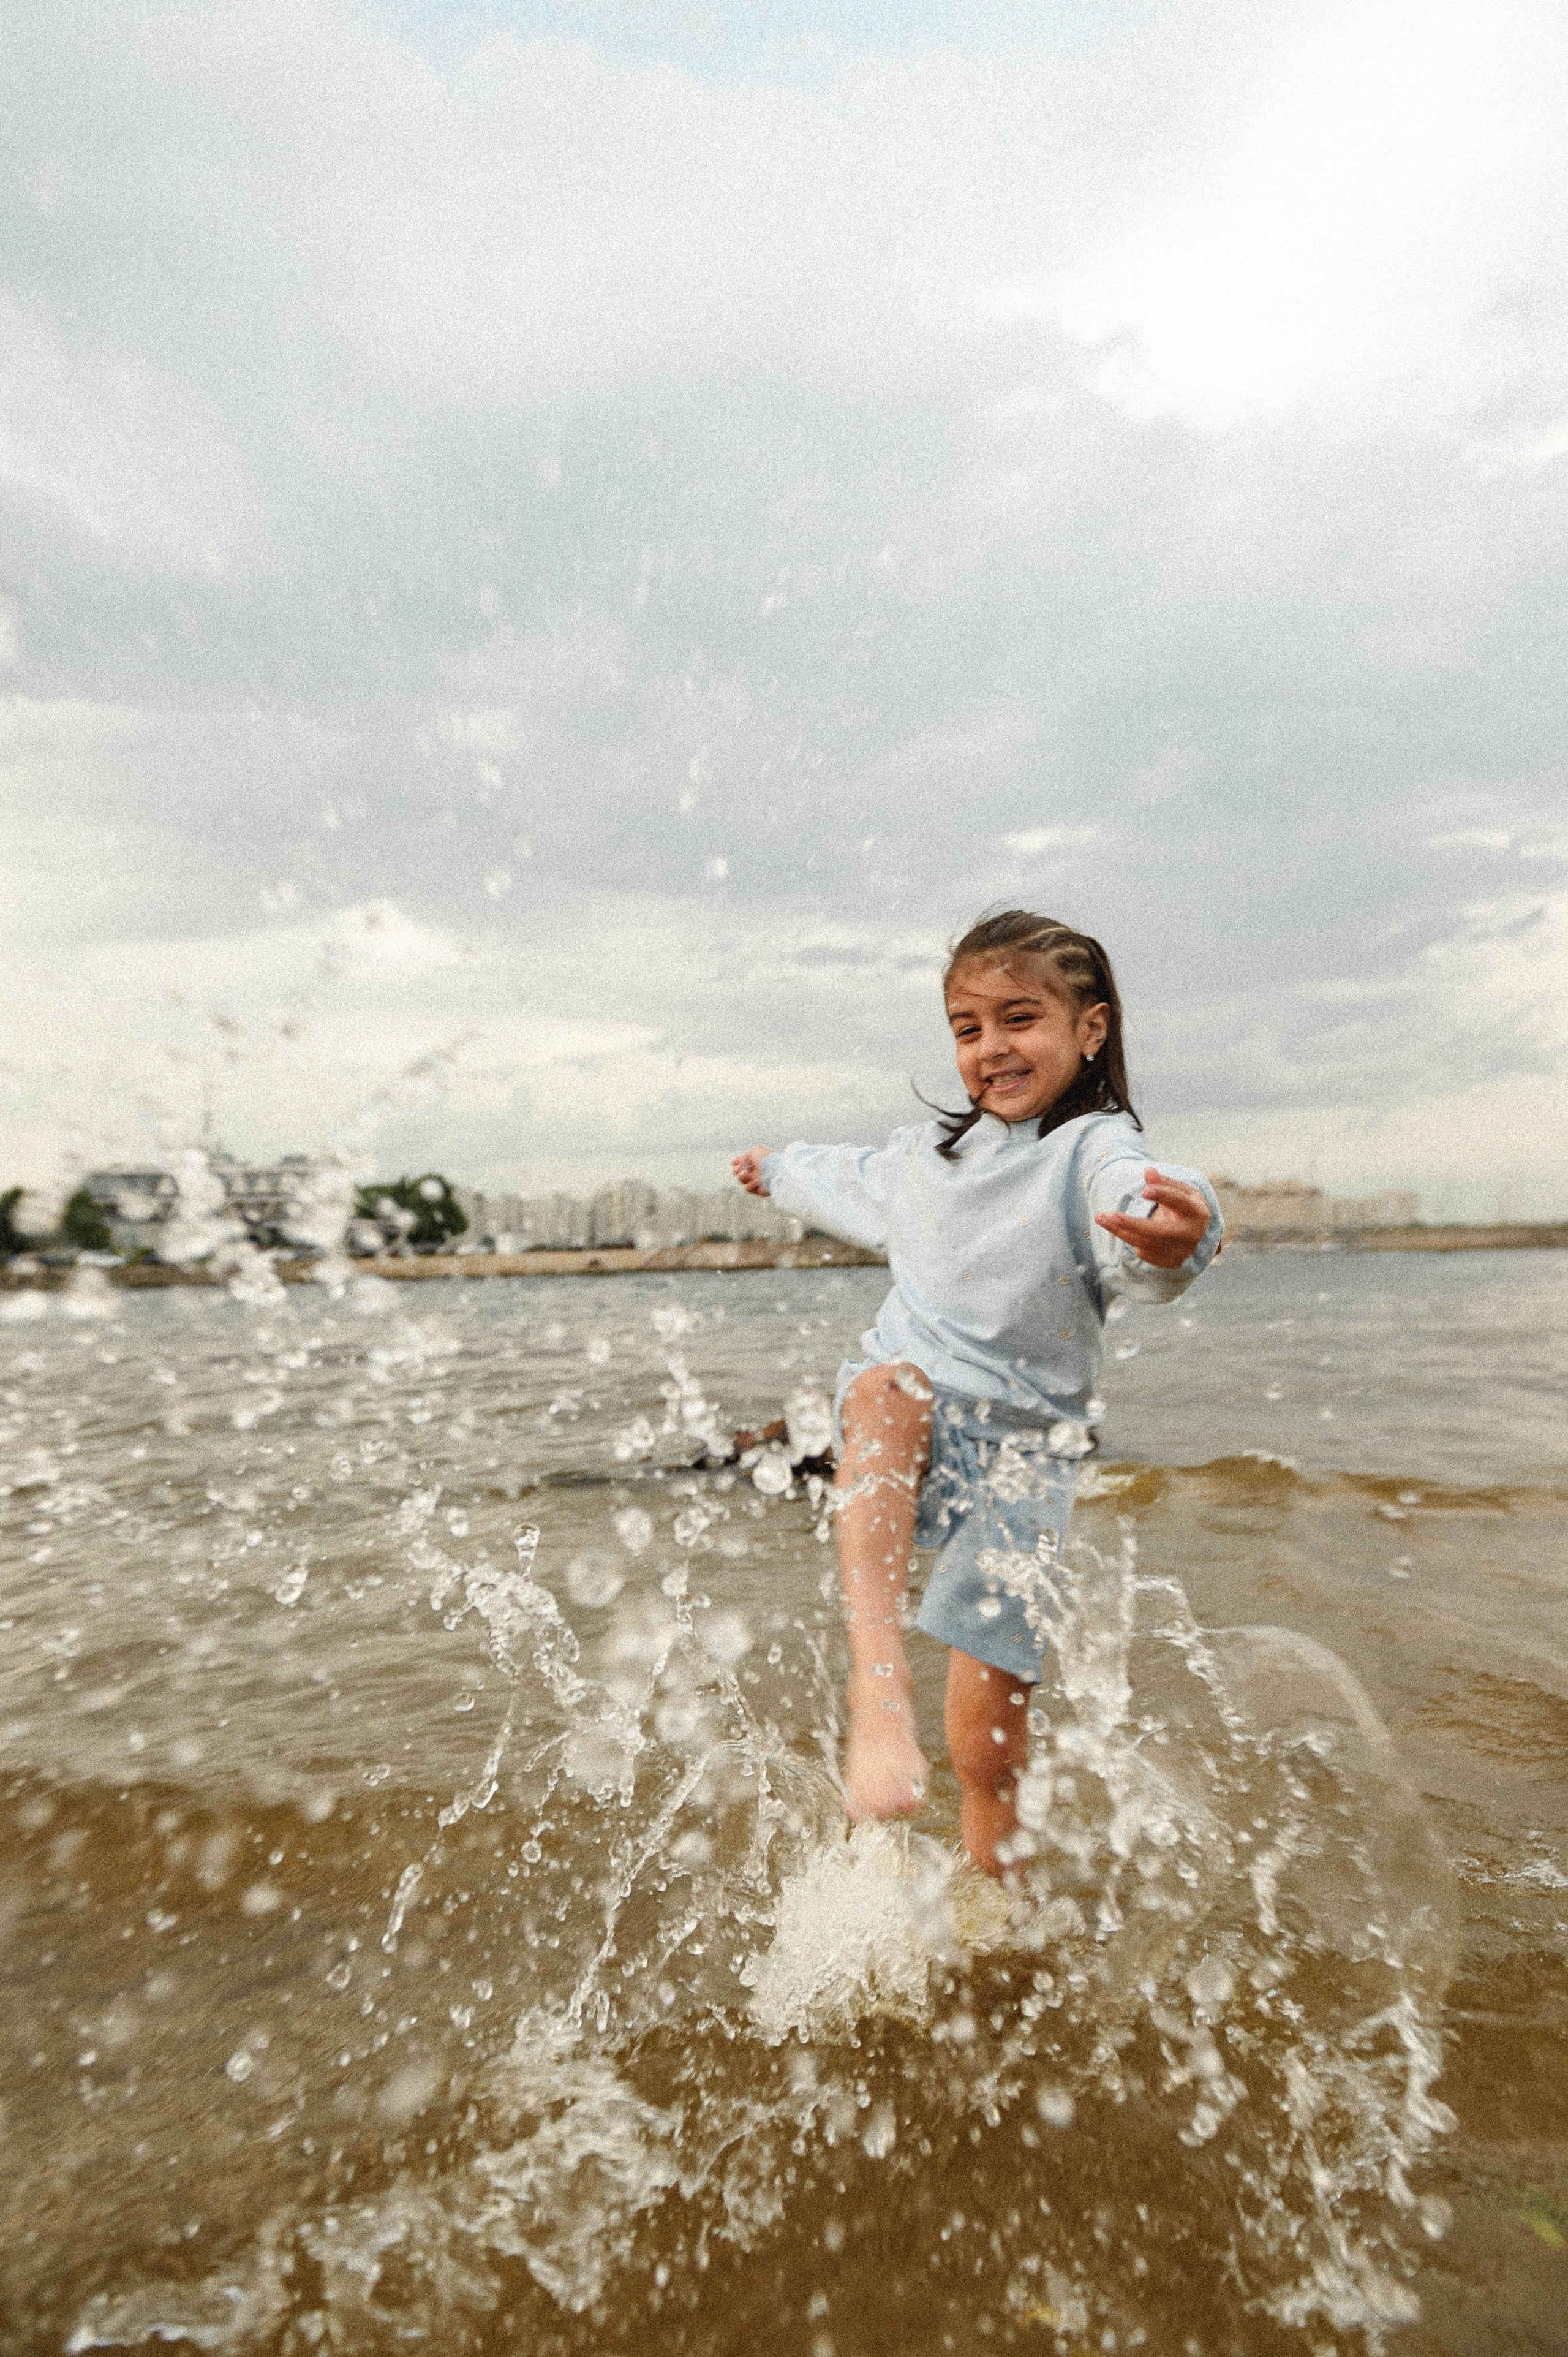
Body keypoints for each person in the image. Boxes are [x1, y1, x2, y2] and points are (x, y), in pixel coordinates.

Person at [731, 909, 1223, 1877]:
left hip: (1023, 1462)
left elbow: (1140, 1204)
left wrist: (1180, 1234)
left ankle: (1006, 1920)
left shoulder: (1091, 1152)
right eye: (967, 1028)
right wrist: (779, 1171)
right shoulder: (930, 1160)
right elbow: (847, 1177)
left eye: (1018, 1018)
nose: (992, 1048)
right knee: (886, 1386)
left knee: (986, 1749)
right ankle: (876, 1695)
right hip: (904, 1414)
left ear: (1091, 1029)